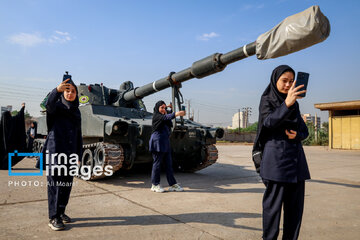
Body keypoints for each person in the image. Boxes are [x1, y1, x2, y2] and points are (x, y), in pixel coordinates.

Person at [253, 65, 310, 240]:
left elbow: (304, 131)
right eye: (284, 81)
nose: (288, 85)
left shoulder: (295, 104)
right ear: (275, 80)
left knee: (295, 213)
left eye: (291, 81)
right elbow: (268, 123)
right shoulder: (267, 100)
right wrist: (286, 104)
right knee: (272, 212)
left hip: (296, 166)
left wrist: (297, 134)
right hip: (276, 165)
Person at [43, 77, 82, 231]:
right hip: (56, 151)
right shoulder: (56, 108)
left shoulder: (76, 111)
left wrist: (78, 155)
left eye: (73, 91)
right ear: (62, 92)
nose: (70, 93)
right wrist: (56, 91)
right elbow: (48, 104)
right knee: (55, 184)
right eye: (67, 90)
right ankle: (53, 216)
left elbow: (79, 134)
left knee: (66, 184)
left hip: (70, 153)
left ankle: (61, 210)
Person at [149, 101, 186, 193]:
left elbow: (169, 122)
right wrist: (176, 113)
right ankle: (155, 185)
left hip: (165, 142)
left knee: (169, 165)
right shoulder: (156, 116)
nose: (163, 109)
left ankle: (172, 184)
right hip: (157, 141)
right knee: (157, 164)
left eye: (165, 108)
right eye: (161, 107)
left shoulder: (164, 116)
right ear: (157, 108)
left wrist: (169, 110)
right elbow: (166, 117)